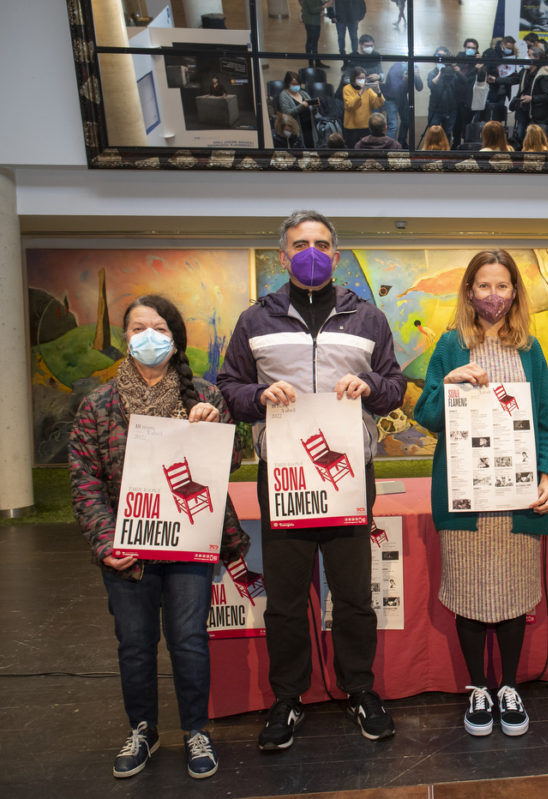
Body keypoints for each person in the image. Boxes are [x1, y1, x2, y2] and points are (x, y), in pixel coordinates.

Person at [217, 210, 406, 752]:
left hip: (349, 477)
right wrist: (259, 396)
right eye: (301, 244)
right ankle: (287, 698)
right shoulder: (256, 319)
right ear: (283, 256)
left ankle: (360, 689)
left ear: (337, 254)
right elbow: (228, 385)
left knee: (352, 596)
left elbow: (396, 386)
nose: (312, 252)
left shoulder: (368, 318)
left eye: (322, 244)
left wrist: (369, 385)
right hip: (285, 479)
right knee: (284, 599)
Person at [69, 294, 249, 781]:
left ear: (175, 339)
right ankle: (143, 730)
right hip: (127, 551)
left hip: (189, 544)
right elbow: (84, 479)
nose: (148, 338)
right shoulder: (98, 405)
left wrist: (218, 429)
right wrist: (107, 543)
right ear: (124, 339)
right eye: (136, 329)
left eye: (159, 329)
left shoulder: (205, 396)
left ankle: (196, 730)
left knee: (189, 640)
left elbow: (233, 461)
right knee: (134, 643)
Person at [413, 249, 548, 738]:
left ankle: (509, 687)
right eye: (483, 286)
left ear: (514, 292)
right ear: (469, 292)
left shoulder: (531, 349)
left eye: (502, 286)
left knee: (516, 595)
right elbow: (429, 415)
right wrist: (449, 383)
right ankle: (479, 686)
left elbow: (545, 421)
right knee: (469, 593)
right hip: (465, 498)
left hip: (517, 499)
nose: (493, 295)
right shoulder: (451, 346)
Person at [494, 44, 548, 146]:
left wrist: (532, 98)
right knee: (521, 137)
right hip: (523, 111)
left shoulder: (544, 75)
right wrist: (496, 80)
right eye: (527, 54)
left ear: (537, 58)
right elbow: (513, 80)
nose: (527, 57)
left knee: (532, 140)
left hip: (536, 114)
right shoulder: (524, 71)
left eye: (530, 55)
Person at [341, 65, 385, 146]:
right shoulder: (347, 89)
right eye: (359, 78)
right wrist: (361, 91)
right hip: (351, 129)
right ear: (353, 78)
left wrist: (378, 91)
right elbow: (350, 105)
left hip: (365, 127)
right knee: (352, 152)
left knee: (365, 151)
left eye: (363, 78)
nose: (362, 80)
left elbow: (377, 104)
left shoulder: (368, 89)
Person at [382, 60, 422, 146]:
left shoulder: (413, 68)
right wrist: (404, 79)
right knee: (393, 125)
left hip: (403, 98)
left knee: (407, 121)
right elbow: (395, 90)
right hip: (391, 98)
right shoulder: (395, 68)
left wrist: (417, 76)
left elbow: (419, 87)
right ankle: (390, 147)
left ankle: (401, 143)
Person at [426, 48, 462, 138]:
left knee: (447, 134)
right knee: (433, 134)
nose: (441, 58)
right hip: (435, 109)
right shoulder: (432, 73)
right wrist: (440, 73)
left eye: (444, 56)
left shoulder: (453, 72)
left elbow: (464, 82)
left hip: (451, 108)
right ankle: (433, 151)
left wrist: (456, 69)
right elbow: (431, 85)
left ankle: (446, 150)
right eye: (439, 55)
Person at [278, 71, 317, 148]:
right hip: (296, 133)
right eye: (294, 84)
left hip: (309, 130)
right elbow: (287, 113)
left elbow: (312, 112)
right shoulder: (284, 95)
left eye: (298, 84)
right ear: (288, 83)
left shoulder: (303, 93)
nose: (296, 86)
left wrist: (314, 107)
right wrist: (301, 106)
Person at [300, 0, 334, 69]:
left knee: (314, 42)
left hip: (314, 21)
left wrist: (326, 2)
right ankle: (311, 62)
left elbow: (318, 2)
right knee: (311, 42)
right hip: (311, 22)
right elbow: (312, 10)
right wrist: (325, 6)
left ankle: (316, 61)